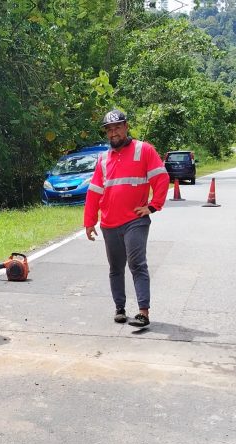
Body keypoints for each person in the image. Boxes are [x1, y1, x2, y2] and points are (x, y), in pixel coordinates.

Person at [83, 109, 169, 328]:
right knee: (115, 268)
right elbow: (94, 191)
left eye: (117, 128)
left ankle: (143, 312)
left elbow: (161, 177)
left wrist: (153, 205)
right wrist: (89, 221)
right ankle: (120, 309)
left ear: (126, 127)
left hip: (135, 221)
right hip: (109, 223)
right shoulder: (103, 159)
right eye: (109, 130)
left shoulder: (144, 149)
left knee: (137, 264)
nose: (113, 133)